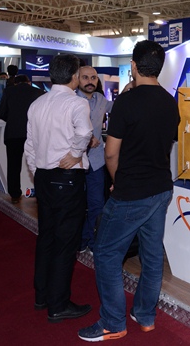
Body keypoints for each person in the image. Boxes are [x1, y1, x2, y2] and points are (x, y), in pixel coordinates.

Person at [78, 40, 179, 342]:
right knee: (152, 254)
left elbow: (111, 153)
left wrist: (117, 180)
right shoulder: (170, 102)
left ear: (133, 66)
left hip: (131, 191)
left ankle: (113, 322)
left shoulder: (126, 102)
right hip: (161, 189)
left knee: (106, 253)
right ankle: (145, 315)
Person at [24, 54, 93, 323]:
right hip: (67, 179)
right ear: (74, 76)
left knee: (47, 237)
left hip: (43, 176)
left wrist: (37, 169)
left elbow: (30, 145)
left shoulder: (37, 103)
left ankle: (42, 296)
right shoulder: (76, 103)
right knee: (65, 242)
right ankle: (58, 304)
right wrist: (75, 154)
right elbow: (85, 133)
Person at [76, 66, 114, 252]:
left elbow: (118, 108)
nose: (90, 81)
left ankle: (92, 242)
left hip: (97, 162)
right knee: (77, 205)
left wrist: (131, 87)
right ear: (77, 79)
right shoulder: (71, 100)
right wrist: (86, 139)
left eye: (93, 78)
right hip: (75, 161)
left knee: (97, 205)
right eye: (85, 77)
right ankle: (79, 241)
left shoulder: (100, 99)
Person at [0, 74, 44, 204]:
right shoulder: (38, 92)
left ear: (15, 83)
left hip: (13, 133)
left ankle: (15, 194)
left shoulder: (8, 91)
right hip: (33, 134)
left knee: (13, 165)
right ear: (28, 82)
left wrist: (12, 119)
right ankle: (41, 192)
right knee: (38, 164)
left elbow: (2, 113)